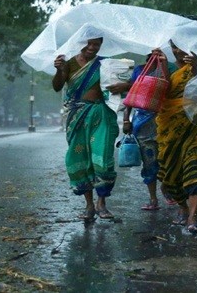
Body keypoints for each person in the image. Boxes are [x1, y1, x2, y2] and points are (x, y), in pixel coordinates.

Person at [154, 41, 197, 234]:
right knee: (172, 175)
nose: (178, 51)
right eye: (174, 47)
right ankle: (184, 209)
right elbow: (160, 94)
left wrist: (195, 71)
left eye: (182, 46)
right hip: (172, 132)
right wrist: (161, 65)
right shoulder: (166, 66)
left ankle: (193, 218)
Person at [52, 37, 119, 220]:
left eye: (96, 44)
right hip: (77, 116)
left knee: (103, 157)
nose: (91, 47)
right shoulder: (68, 63)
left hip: (100, 114)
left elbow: (118, 87)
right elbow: (57, 86)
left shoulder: (105, 64)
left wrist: (125, 85)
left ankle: (101, 203)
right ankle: (89, 205)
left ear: (100, 45)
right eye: (88, 43)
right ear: (79, 42)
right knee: (79, 156)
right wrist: (59, 70)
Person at [109, 54, 177, 211]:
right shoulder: (139, 70)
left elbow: (168, 87)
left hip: (165, 121)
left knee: (168, 160)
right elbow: (132, 96)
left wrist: (164, 63)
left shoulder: (171, 69)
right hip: (143, 124)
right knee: (149, 162)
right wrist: (126, 119)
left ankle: (166, 187)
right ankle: (153, 199)